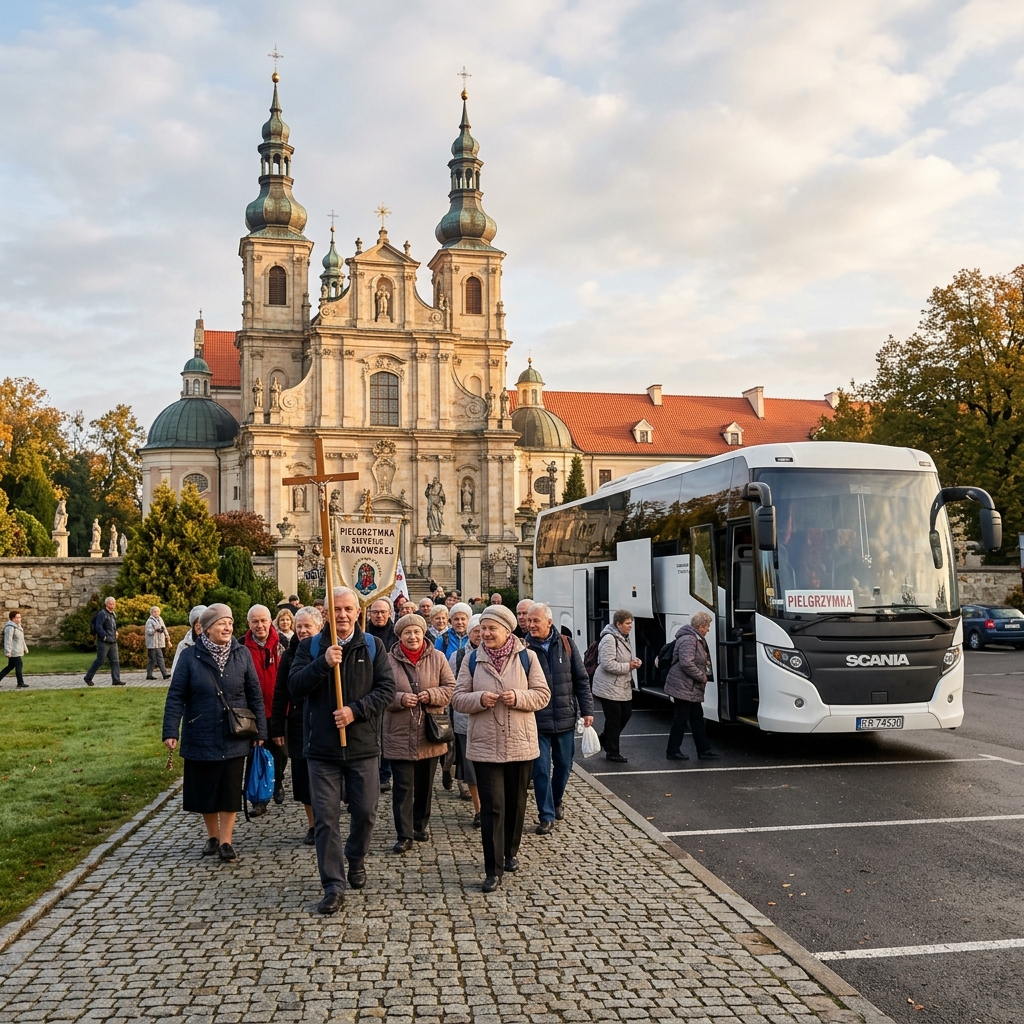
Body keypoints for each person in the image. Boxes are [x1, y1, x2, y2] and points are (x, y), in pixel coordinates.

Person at [289, 587, 396, 914]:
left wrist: (355, 710)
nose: (342, 615)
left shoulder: (373, 645)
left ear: (357, 612)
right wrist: (323, 663)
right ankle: (333, 885)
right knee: (326, 819)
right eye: (336, 609)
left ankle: (356, 857)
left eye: (348, 609)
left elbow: (387, 690)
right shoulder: (310, 647)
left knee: (365, 812)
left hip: (363, 747)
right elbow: (295, 686)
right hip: (322, 750)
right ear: (325, 614)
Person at [453, 604, 550, 893]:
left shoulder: (527, 658)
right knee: (492, 808)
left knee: (516, 803)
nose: (485, 633)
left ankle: (510, 852)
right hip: (485, 745)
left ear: (507, 631)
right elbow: (458, 698)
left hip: (520, 744)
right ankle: (492, 869)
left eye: (491, 628)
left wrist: (518, 697)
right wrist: (479, 699)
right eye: (483, 628)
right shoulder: (472, 659)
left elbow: (542, 695)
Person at [162, 604, 267, 863]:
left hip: (234, 733)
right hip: (201, 732)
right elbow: (176, 695)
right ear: (206, 628)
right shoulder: (190, 656)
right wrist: (170, 730)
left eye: (230, 622)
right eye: (222, 623)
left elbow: (254, 693)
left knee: (230, 789)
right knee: (206, 789)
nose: (228, 627)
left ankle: (226, 841)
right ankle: (212, 836)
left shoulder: (242, 654)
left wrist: (260, 731)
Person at [384, 613, 455, 851]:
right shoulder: (388, 660)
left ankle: (419, 825)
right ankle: (404, 834)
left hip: (430, 733)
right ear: (400, 636)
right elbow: (380, 692)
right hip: (398, 732)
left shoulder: (438, 657)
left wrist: (432, 695)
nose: (412, 636)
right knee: (403, 787)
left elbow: (450, 687)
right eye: (407, 632)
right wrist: (400, 699)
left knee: (424, 785)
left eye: (416, 632)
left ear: (423, 633)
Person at [524, 602, 594, 833]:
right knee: (541, 770)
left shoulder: (566, 644)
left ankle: (556, 800)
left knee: (564, 765)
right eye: (529, 620)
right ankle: (546, 815)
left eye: (536, 621)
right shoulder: (523, 648)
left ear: (549, 622)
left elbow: (581, 679)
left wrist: (587, 710)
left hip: (565, 717)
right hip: (537, 721)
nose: (531, 625)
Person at [270, 606, 323, 845]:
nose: (302, 630)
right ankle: (313, 825)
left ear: (319, 627)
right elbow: (280, 692)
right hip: (298, 724)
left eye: (307, 626)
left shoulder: (329, 650)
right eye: (299, 626)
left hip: (326, 722)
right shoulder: (289, 655)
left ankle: (327, 822)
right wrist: (277, 727)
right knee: (303, 778)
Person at [242, 605, 283, 814]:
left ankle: (277, 782)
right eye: (255, 621)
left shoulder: (282, 644)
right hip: (253, 712)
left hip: (278, 709)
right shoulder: (240, 646)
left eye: (263, 621)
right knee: (256, 754)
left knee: (280, 753)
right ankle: (259, 800)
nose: (260, 625)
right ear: (249, 623)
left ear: (270, 621)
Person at [665, 611, 718, 760]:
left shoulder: (695, 638)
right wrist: (702, 676)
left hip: (689, 687)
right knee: (681, 718)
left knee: (696, 718)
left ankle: (703, 750)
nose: (708, 629)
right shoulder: (689, 639)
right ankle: (673, 751)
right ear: (700, 626)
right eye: (707, 626)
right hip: (683, 686)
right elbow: (686, 663)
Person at [591, 610, 641, 763]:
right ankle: (612, 751)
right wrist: (629, 666)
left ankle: (605, 739)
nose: (630, 626)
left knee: (625, 714)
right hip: (607, 685)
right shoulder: (609, 638)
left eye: (631, 623)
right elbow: (607, 663)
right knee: (614, 719)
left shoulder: (624, 637)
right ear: (618, 624)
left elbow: (624, 657)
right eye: (627, 623)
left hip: (621, 685)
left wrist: (634, 661)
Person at [449, 615, 482, 823]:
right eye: (476, 631)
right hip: (464, 720)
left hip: (489, 721)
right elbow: (451, 688)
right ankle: (479, 810)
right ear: (469, 633)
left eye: (483, 630)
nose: (480, 634)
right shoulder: (459, 655)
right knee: (471, 769)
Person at [85, 596, 122, 686]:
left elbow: (112, 626)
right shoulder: (102, 614)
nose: (112, 605)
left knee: (115, 661)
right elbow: (98, 626)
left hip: (113, 641)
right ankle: (88, 678)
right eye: (110, 604)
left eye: (113, 604)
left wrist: (116, 632)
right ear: (106, 604)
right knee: (100, 660)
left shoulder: (113, 614)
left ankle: (116, 680)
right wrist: (104, 635)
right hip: (104, 642)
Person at [171, 605, 207, 674]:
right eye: (199, 623)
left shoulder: (216, 643)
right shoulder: (184, 645)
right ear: (195, 626)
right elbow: (175, 673)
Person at [1, 610, 28, 688]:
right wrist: (8, 651)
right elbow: (8, 640)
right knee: (19, 665)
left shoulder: (18, 627)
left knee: (10, 666)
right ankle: (20, 683)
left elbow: (21, 639)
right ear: (12, 618)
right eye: (17, 617)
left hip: (18, 650)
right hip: (13, 651)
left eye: (20, 617)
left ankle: (20, 682)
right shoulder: (10, 627)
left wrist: (25, 648)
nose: (19, 619)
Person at [144, 606, 171, 681]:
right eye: (154, 612)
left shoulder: (160, 619)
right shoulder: (149, 621)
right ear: (151, 613)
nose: (156, 613)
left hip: (159, 643)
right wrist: (155, 629)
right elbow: (149, 631)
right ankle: (149, 675)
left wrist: (167, 635)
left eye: (158, 611)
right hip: (152, 644)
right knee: (152, 659)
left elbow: (164, 628)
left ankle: (164, 674)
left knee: (160, 658)